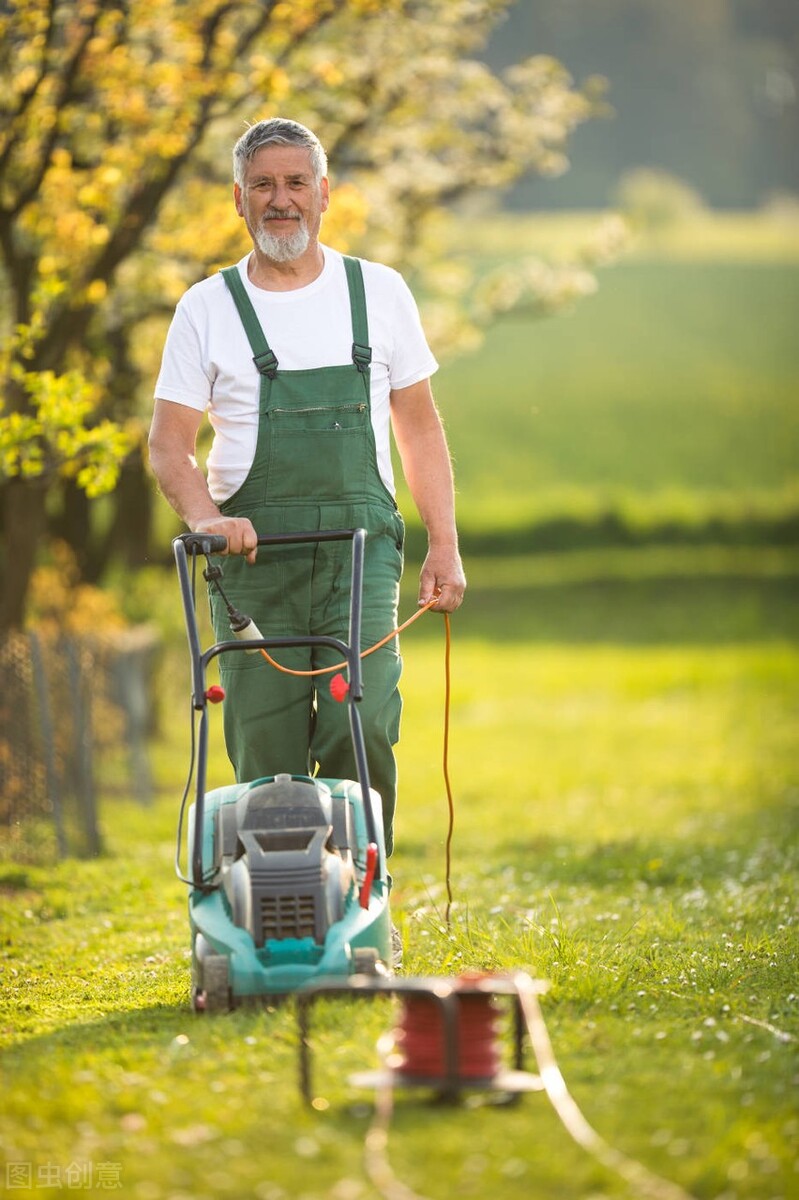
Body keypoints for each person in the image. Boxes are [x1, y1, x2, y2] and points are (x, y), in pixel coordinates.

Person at [149, 117, 465, 858]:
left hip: (361, 554)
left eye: (295, 183)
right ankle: (273, 904)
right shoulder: (207, 307)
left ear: (324, 195)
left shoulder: (377, 292)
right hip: (252, 565)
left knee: (366, 722)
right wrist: (207, 516)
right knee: (265, 748)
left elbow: (419, 429)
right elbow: (168, 444)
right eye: (263, 184)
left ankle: (361, 890)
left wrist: (443, 546)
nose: (280, 199)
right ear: (238, 199)